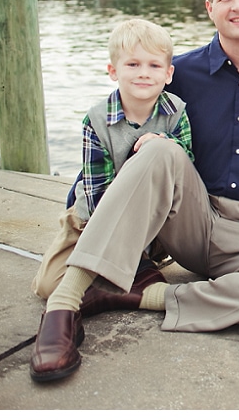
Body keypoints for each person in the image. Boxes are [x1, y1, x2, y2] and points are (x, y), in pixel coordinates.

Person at [30, 0, 239, 383]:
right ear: (209, 7)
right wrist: (84, 213)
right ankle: (63, 308)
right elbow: (112, 132)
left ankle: (136, 296)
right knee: (158, 147)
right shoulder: (175, 72)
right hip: (193, 218)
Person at [31, 18, 192, 300]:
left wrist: (165, 142)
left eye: (154, 65)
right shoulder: (96, 121)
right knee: (47, 286)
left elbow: (187, 162)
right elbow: (97, 196)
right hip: (93, 220)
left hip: (152, 222)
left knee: (167, 152)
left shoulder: (176, 112)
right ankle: (122, 280)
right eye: (132, 64)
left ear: (168, 73)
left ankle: (134, 268)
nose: (144, 73)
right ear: (113, 71)